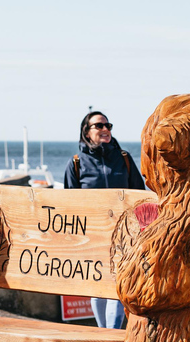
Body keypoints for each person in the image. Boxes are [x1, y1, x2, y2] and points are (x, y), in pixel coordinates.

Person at [64, 111, 145, 329]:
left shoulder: (124, 158)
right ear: (86, 132)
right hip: (92, 237)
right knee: (97, 289)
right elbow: (68, 204)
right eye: (99, 126)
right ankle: (104, 336)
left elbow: (140, 194)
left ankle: (110, 338)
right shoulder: (76, 163)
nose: (105, 129)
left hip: (125, 236)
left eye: (108, 125)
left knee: (116, 288)